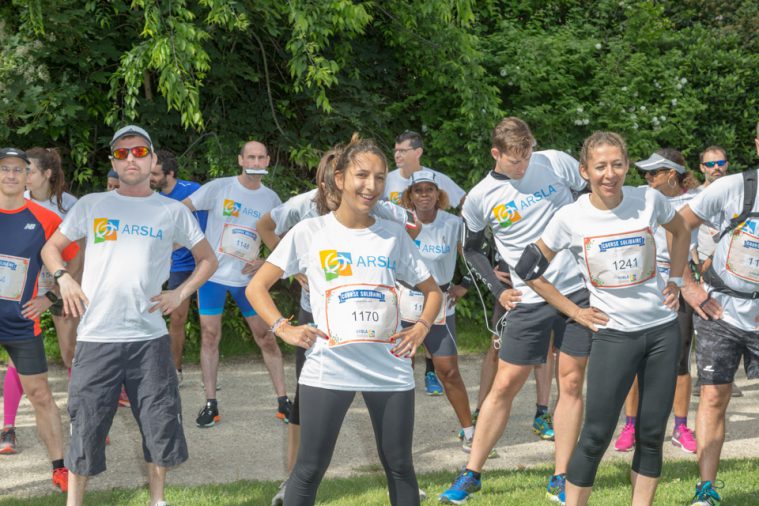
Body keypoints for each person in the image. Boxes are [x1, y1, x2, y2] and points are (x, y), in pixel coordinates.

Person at [247, 136, 443, 506]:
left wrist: (420, 328)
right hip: (328, 367)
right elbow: (257, 287)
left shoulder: (393, 235)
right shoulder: (311, 233)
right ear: (339, 179)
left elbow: (433, 291)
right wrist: (283, 328)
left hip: (389, 369)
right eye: (362, 175)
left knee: (400, 467)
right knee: (307, 469)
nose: (371, 186)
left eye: (380, 178)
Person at [41, 125, 217, 506]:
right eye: (122, 153)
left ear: (153, 160)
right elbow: (51, 249)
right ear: (113, 162)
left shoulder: (170, 211)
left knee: (160, 423)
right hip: (96, 337)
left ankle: (158, 500)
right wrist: (63, 281)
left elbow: (208, 259)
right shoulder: (91, 205)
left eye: (139, 152)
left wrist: (182, 291)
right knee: (86, 425)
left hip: (149, 339)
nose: (131, 159)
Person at [520, 131, 689, 505]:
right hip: (614, 336)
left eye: (617, 164)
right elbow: (529, 269)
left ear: (627, 166)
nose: (609, 174)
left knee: (650, 433)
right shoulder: (570, 216)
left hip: (662, 331)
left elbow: (681, 231)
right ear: (585, 171)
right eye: (600, 166)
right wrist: (575, 311)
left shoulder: (648, 199)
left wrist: (676, 280)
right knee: (595, 435)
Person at [440, 117, 592, 505]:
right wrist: (498, 289)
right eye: (514, 159)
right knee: (505, 384)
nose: (523, 165)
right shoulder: (478, 197)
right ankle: (472, 473)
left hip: (576, 291)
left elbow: (588, 197)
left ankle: (561, 476)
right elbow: (470, 248)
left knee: (571, 383)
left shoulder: (554, 161)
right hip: (526, 298)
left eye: (527, 155)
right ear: (496, 153)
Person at [678, 125, 759, 506]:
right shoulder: (733, 187)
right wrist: (687, 284)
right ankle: (706, 490)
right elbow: (675, 227)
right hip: (720, 310)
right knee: (713, 398)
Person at [183, 140, 289, 427]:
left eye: (261, 158)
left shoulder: (271, 199)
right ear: (241, 159)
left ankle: (283, 401)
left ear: (268, 161)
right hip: (213, 277)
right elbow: (182, 211)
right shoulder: (220, 187)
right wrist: (197, 245)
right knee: (209, 336)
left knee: (266, 336)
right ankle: (210, 404)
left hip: (248, 280)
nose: (256, 163)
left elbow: (282, 241)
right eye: (250, 157)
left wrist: (265, 262)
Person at [612, 149, 700, 455]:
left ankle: (680, 427)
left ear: (671, 175)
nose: (647, 179)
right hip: (645, 284)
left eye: (653, 174)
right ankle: (631, 425)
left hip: (680, 285)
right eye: (645, 174)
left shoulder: (697, 200)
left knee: (679, 361)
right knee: (637, 359)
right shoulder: (641, 196)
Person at [0, 147, 76, 489]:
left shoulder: (46, 219)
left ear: (27, 175)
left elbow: (74, 257)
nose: (11, 175)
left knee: (41, 395)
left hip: (20, 321)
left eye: (18, 169)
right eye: (5, 169)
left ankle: (60, 467)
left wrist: (50, 296)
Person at [398, 170, 477, 451]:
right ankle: (397, 439)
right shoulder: (400, 222)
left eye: (429, 190)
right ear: (409, 195)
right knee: (400, 370)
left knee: (448, 370)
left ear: (438, 194)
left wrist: (464, 284)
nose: (424, 196)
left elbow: (474, 255)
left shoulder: (453, 223)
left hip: (441, 301)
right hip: (405, 299)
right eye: (418, 190)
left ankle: (470, 432)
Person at [385, 130, 466, 395]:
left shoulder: (441, 190)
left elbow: (466, 203)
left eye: (402, 150)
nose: (397, 155)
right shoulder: (387, 182)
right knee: (398, 356)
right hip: (404, 287)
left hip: (438, 290)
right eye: (395, 150)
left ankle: (432, 373)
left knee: (446, 365)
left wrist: (464, 283)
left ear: (417, 152)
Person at [149, 148, 207, 383]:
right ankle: (176, 370)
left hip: (206, 263)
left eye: (154, 173)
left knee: (209, 321)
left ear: (170, 173)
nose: (150, 178)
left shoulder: (194, 191)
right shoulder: (152, 199)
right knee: (177, 318)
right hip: (179, 266)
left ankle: (208, 373)